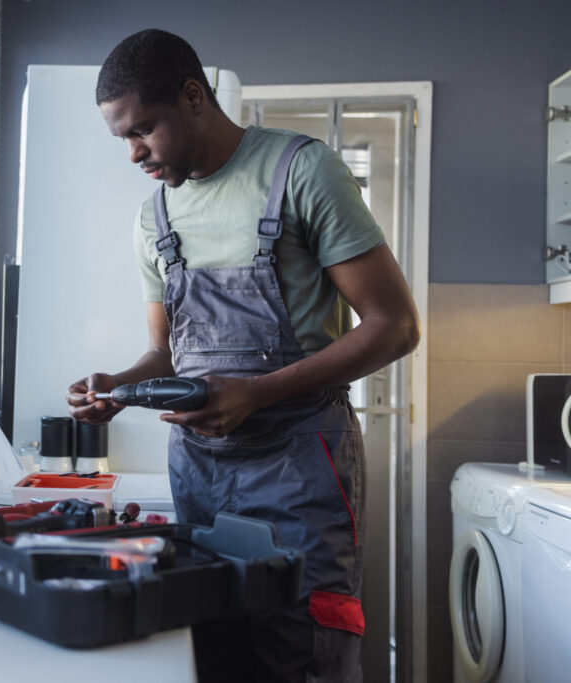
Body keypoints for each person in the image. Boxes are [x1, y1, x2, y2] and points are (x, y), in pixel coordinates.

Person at [66, 29, 420, 683]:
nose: (134, 152)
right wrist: (119, 385)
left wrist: (256, 394)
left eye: (143, 129)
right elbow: (164, 354)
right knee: (214, 649)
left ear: (193, 97)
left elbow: (395, 326)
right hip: (199, 479)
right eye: (122, 137)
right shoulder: (155, 217)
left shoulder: (302, 170)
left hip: (301, 469)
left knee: (305, 649)